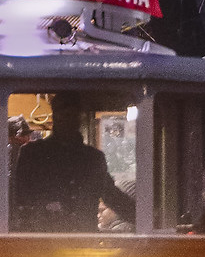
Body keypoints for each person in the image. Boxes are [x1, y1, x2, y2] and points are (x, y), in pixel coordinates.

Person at [12, 93, 137, 232]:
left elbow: (111, 196)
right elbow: (19, 201)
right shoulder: (32, 154)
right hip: (43, 241)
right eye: (63, 114)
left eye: (72, 115)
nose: (67, 120)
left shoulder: (93, 159)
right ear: (55, 117)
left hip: (83, 244)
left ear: (79, 119)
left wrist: (145, 220)